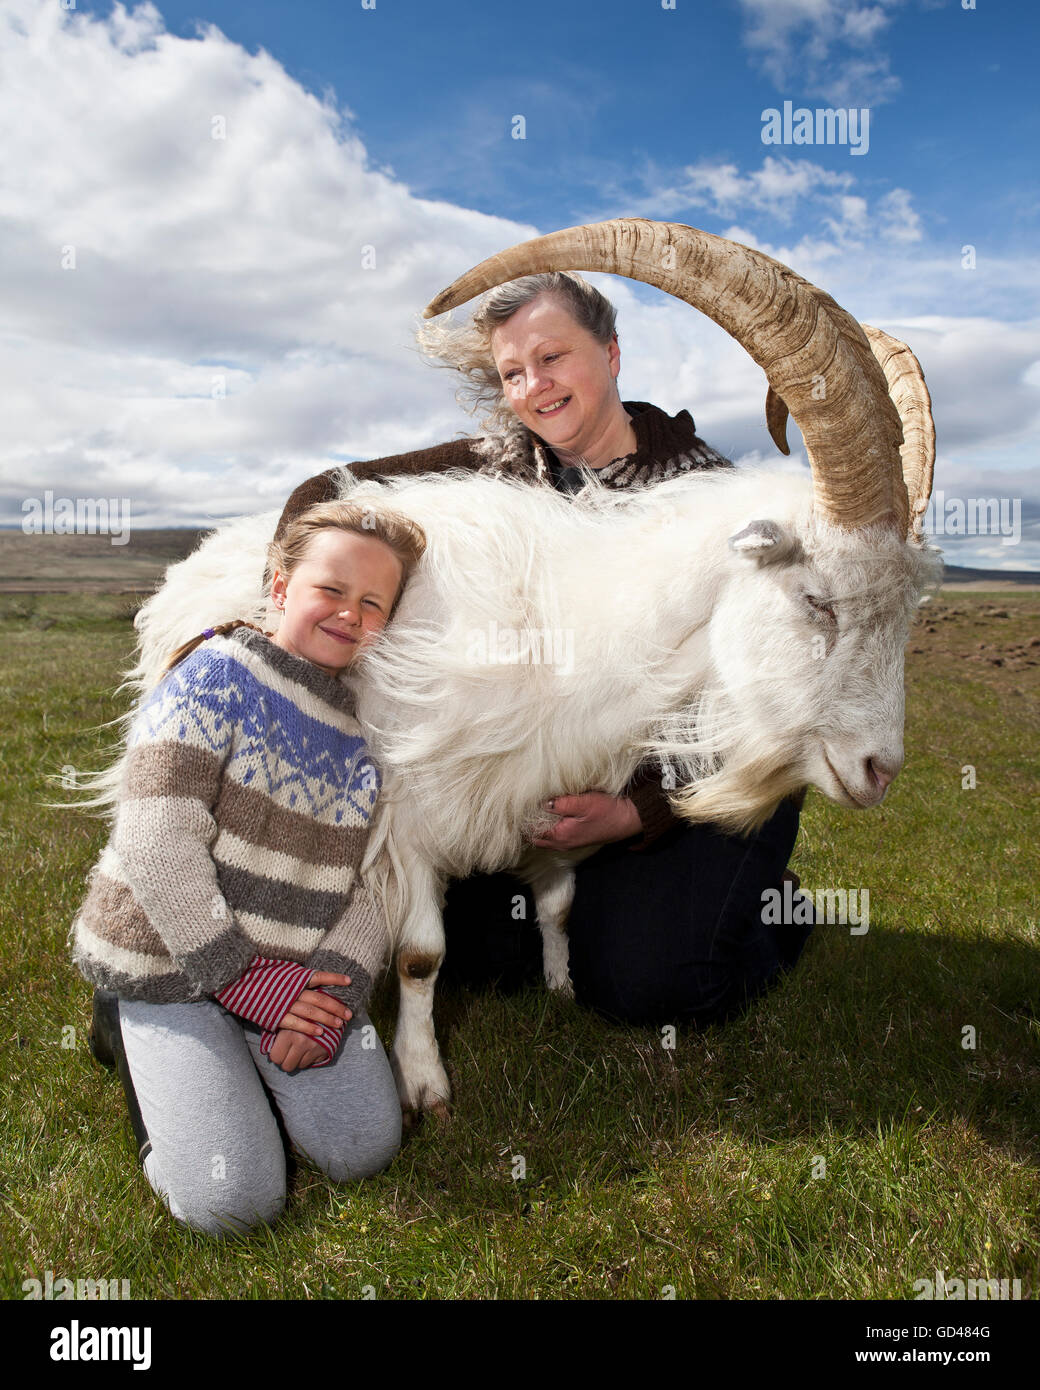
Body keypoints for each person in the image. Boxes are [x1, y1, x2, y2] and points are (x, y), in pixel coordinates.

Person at [276, 271, 812, 1029]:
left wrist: (634, 815)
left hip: (687, 789)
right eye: (513, 373)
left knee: (650, 990)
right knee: (490, 958)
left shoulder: (705, 495)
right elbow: (321, 493)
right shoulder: (504, 465)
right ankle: (600, 909)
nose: (536, 386)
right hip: (558, 786)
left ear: (612, 352)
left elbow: (759, 701)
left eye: (553, 357)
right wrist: (307, 608)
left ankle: (771, 906)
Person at [72, 499, 426, 1236]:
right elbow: (156, 840)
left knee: (365, 1146)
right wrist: (245, 984)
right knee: (234, 1203)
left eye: (372, 603)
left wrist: (337, 989)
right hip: (173, 963)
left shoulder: (361, 733)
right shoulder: (216, 675)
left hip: (283, 974)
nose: (348, 614)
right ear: (279, 586)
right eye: (330, 589)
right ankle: (128, 1026)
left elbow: (366, 883)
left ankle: (237, 1064)